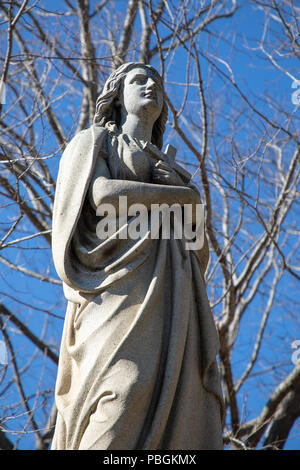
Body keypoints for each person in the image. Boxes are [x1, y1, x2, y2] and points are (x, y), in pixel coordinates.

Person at [51, 62, 224, 450]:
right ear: (117, 96)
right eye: (139, 80)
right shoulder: (96, 141)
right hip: (115, 291)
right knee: (123, 388)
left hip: (173, 299)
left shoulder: (172, 170)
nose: (151, 86)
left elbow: (197, 251)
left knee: (182, 415)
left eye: (157, 82)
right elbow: (103, 195)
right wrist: (183, 198)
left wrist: (180, 191)